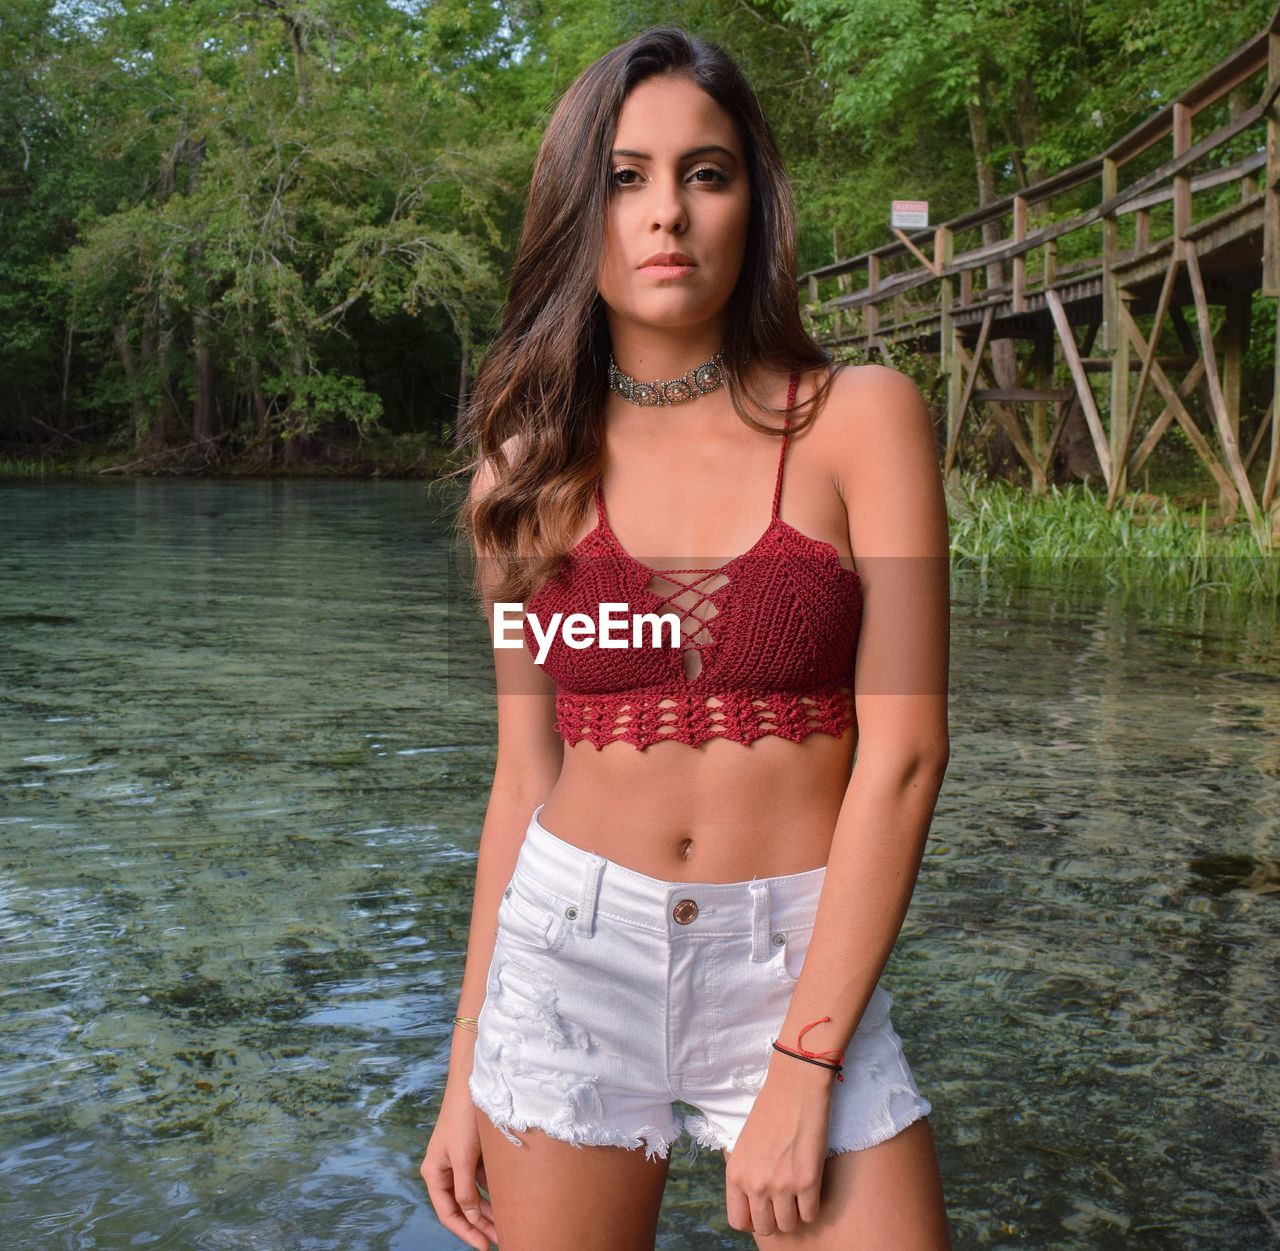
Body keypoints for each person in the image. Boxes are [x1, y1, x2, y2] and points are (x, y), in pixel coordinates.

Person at [422, 24, 952, 1251]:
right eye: (625, 177)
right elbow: (524, 775)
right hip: (565, 959)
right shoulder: (522, 464)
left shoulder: (861, 422)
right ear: (577, 212)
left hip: (797, 960)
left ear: (750, 204)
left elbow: (907, 754)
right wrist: (460, 1078)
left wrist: (805, 1063)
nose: (667, 212)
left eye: (704, 174)